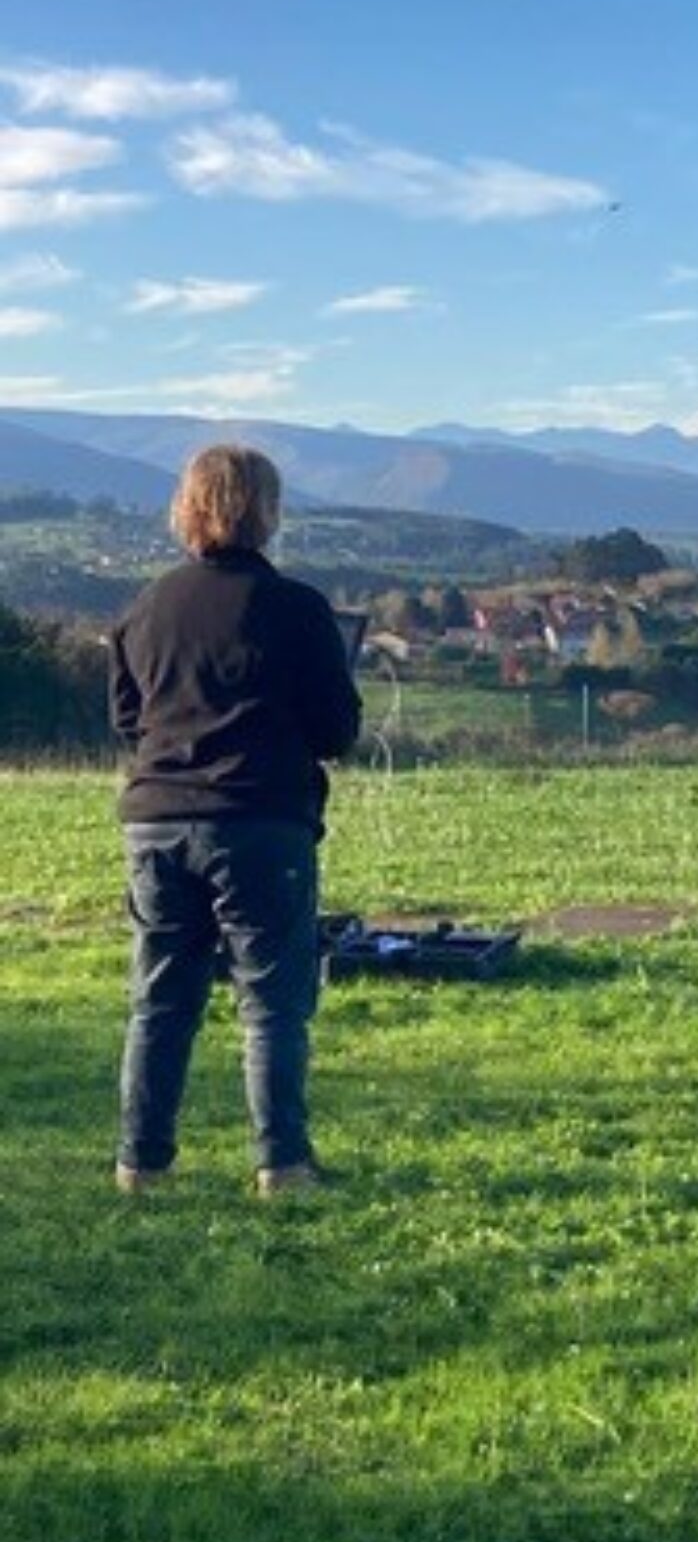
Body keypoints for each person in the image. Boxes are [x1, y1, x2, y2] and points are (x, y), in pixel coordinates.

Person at [109, 445, 362, 1195]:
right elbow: (334, 732)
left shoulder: (143, 609)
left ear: (187, 507)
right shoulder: (299, 610)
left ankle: (140, 1162)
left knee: (159, 1000)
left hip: (155, 821)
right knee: (272, 1002)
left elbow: (129, 720)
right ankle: (281, 1163)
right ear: (267, 512)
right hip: (260, 822)